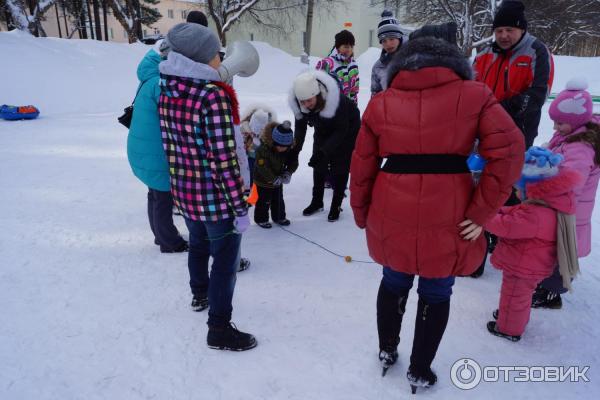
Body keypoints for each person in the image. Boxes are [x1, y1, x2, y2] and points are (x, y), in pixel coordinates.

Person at [349, 36, 524, 392]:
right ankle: (420, 367)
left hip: (391, 202)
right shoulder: (475, 95)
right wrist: (482, 211)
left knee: (394, 279)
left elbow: (363, 162)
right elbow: (509, 150)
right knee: (437, 289)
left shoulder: (381, 103)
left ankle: (387, 349)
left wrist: (361, 209)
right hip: (452, 207)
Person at [158, 23, 256, 351]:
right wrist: (239, 207)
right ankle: (219, 328)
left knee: (199, 245)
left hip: (185, 192)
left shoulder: (169, 86)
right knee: (226, 260)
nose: (220, 57)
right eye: (216, 52)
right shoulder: (210, 95)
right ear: (201, 57)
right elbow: (224, 160)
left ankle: (199, 294)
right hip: (215, 198)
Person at [472, 0, 554, 278]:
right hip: (482, 132)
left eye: (510, 30)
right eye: (499, 30)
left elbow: (537, 94)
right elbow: (468, 88)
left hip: (518, 133)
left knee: (508, 186)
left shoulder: (536, 51)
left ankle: (504, 239)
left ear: (521, 29)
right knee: (481, 182)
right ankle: (480, 240)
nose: (504, 35)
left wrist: (494, 109)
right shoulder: (483, 53)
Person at [486, 149, 580, 342]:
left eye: (520, 190)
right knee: (519, 296)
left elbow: (506, 226)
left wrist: (484, 217)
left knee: (515, 296)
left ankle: (508, 329)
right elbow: (515, 211)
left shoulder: (535, 214)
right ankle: (511, 317)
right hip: (530, 263)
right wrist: (500, 210)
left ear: (533, 188)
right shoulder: (546, 205)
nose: (517, 193)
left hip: (523, 265)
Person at [532, 78, 600, 308]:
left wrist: (539, 186)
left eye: (559, 123)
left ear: (576, 119)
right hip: (563, 207)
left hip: (570, 211)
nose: (554, 128)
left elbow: (570, 182)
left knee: (563, 250)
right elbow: (557, 155)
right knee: (553, 247)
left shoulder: (581, 148)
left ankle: (552, 294)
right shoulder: (569, 135)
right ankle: (547, 284)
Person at [127, 42, 188, 254]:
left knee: (155, 194)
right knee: (163, 197)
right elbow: (173, 117)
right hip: (155, 151)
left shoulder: (149, 76)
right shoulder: (160, 84)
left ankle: (159, 235)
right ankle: (170, 242)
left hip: (143, 148)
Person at [289, 70, 360, 222]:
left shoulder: (336, 101)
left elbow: (341, 130)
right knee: (319, 164)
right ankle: (317, 201)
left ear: (317, 94)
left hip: (347, 129)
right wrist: (295, 151)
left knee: (340, 165)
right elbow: (300, 129)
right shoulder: (300, 103)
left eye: (309, 100)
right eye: (303, 102)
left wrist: (324, 151)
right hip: (323, 127)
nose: (306, 105)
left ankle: (336, 204)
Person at [252, 121, 298, 228]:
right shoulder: (263, 149)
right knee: (264, 200)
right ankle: (261, 219)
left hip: (278, 178)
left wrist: (288, 172)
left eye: (284, 146)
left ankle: (279, 217)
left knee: (278, 199)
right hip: (263, 180)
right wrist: (272, 178)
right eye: (279, 146)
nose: (282, 148)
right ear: (273, 141)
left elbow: (293, 161)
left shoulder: (289, 149)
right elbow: (262, 167)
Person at [315, 30, 360, 104]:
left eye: (351, 47)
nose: (349, 50)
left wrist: (353, 109)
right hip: (330, 109)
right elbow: (317, 88)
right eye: (346, 47)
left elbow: (354, 91)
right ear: (338, 47)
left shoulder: (353, 65)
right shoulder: (326, 64)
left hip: (346, 109)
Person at [240, 105, 277, 187]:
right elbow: (240, 141)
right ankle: (251, 187)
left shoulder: (270, 130)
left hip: (264, 159)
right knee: (250, 173)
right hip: (250, 158)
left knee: (262, 174)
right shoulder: (245, 128)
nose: (256, 133)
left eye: (260, 130)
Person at [371, 10, 405, 96]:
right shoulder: (378, 67)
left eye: (392, 39)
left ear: (399, 38)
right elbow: (375, 98)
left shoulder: (413, 60)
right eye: (384, 41)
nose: (388, 44)